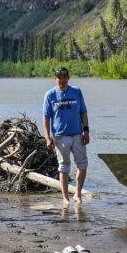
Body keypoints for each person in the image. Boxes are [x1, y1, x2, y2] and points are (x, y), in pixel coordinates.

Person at [42, 67, 89, 206]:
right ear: (55, 79)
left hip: (77, 135)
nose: (61, 80)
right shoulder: (50, 95)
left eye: (64, 77)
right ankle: (65, 198)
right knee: (64, 167)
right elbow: (46, 117)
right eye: (59, 77)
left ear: (68, 78)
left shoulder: (77, 92)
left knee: (82, 165)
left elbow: (83, 113)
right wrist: (47, 137)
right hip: (60, 136)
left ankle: (77, 194)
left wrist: (86, 131)